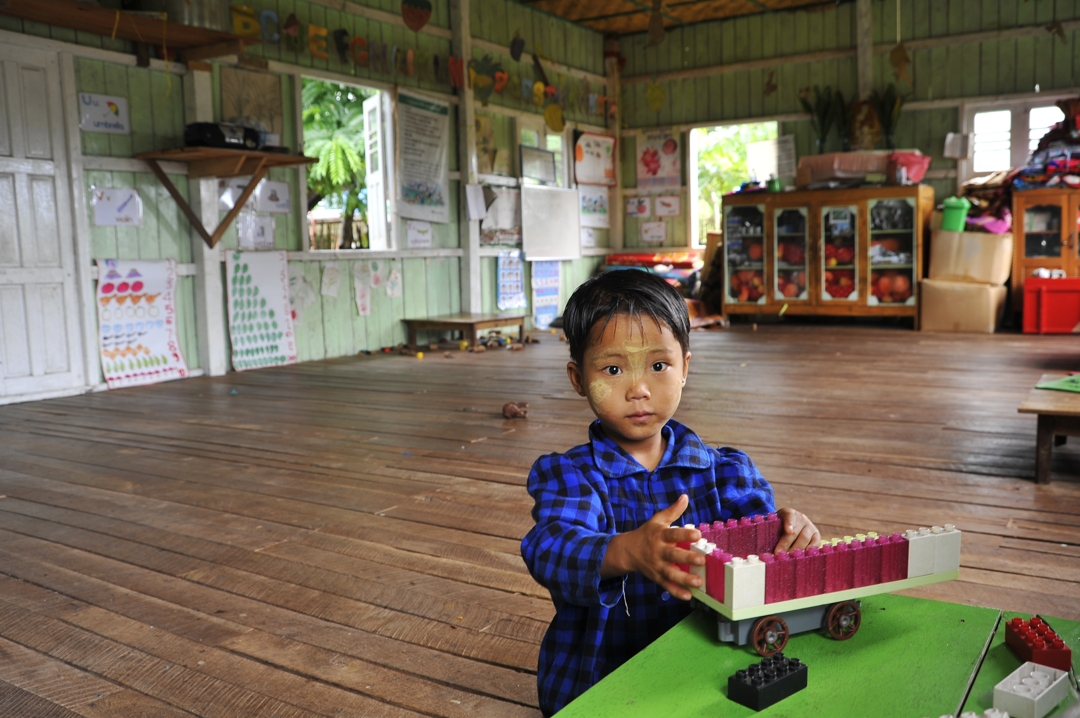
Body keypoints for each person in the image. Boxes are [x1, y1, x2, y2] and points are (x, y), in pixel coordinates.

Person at [520, 269, 820, 716]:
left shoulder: (724, 472)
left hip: (709, 673)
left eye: (658, 366)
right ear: (578, 378)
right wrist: (626, 551)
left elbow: (764, 544)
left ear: (685, 369)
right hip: (602, 682)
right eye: (613, 368)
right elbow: (551, 548)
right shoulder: (571, 475)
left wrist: (790, 530)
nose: (639, 389)